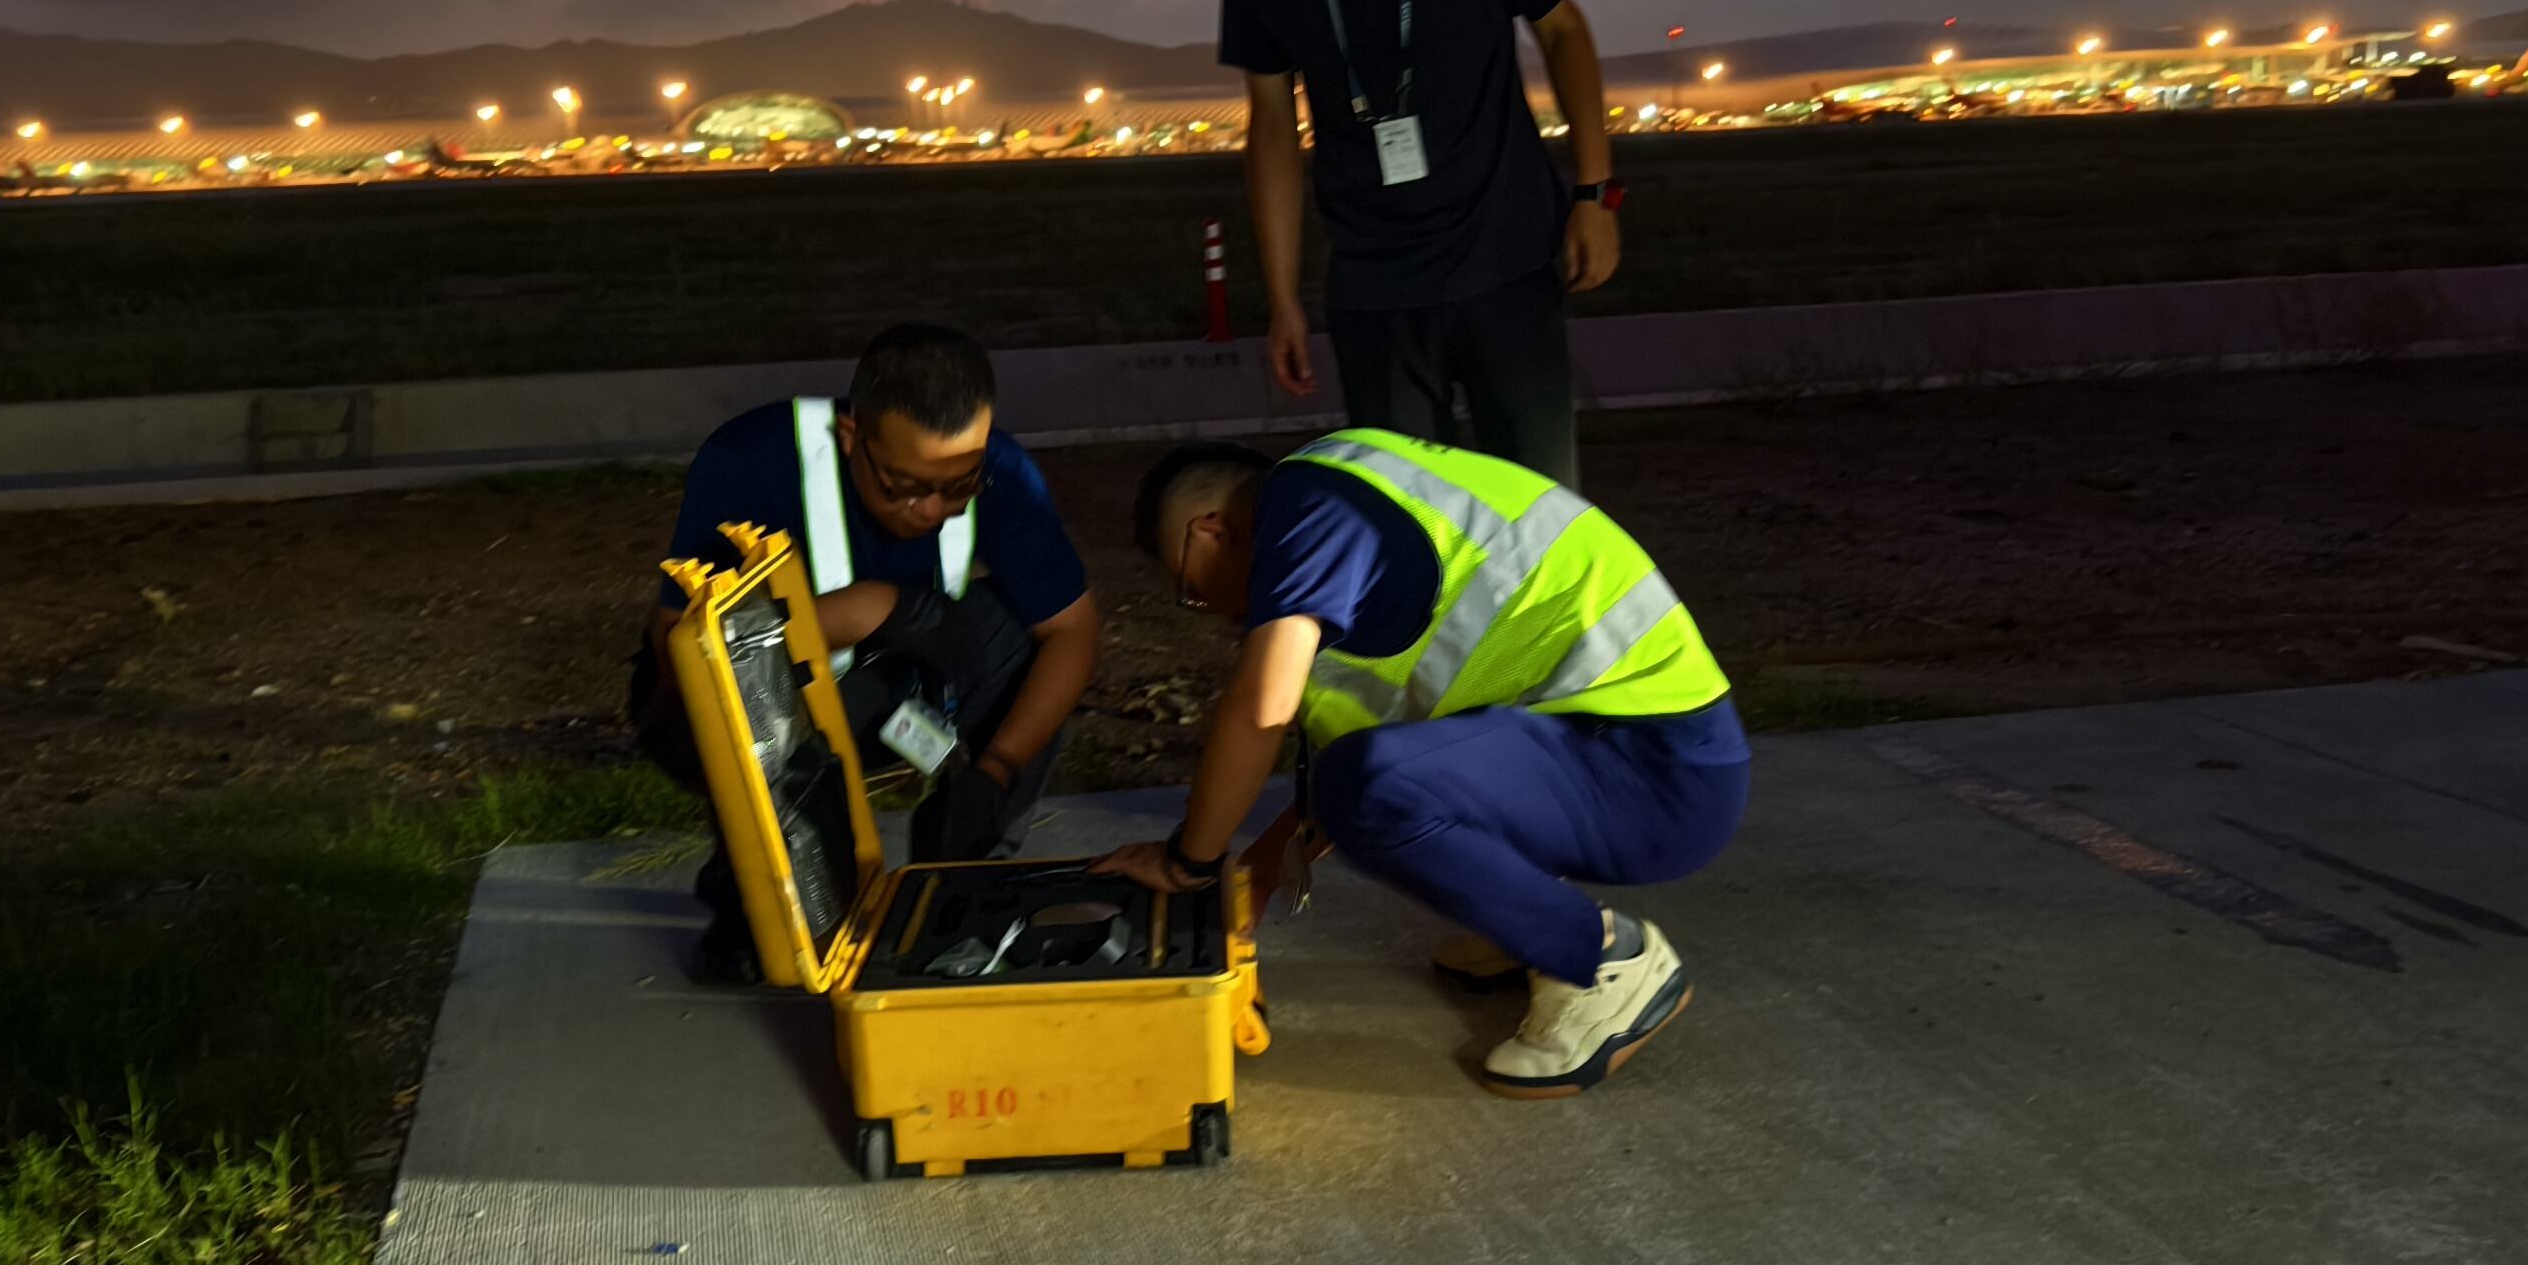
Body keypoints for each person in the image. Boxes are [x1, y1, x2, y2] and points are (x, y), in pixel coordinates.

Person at [1092, 430, 1745, 1096]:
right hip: (1618, 760)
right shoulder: (1359, 519)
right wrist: (1259, 870)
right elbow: (1341, 775)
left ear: (1210, 532)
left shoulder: (1306, 500)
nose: (1209, 610)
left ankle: (1598, 957)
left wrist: (1189, 863)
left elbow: (1260, 710)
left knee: (1370, 786)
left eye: (1189, 590)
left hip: (1660, 772)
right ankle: (1525, 923)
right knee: (1368, 780)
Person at [634, 323, 1102, 980]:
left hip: (887, 703)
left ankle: (961, 879)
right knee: (774, 942)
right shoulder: (753, 459)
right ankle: (754, 889)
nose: (931, 510)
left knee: (1010, 633)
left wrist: (998, 766)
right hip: (756, 711)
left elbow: (1073, 632)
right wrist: (871, 609)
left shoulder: (1000, 472)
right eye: (904, 485)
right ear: (853, 436)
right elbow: (684, 647)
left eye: (958, 486)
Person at [1219, 0, 1622, 486]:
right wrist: (1282, 298)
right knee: (1409, 521)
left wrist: (1594, 194)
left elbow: (1561, 28)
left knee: (1539, 514)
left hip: (1506, 258)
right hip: (1375, 286)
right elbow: (1272, 129)